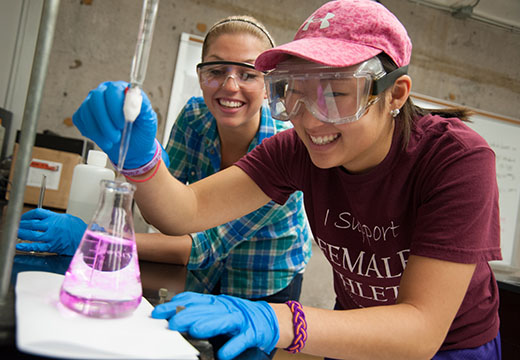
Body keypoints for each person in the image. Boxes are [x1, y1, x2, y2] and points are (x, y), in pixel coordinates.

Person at [70, 0, 502, 359]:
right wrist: (143, 163)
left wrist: (272, 318)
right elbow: (187, 211)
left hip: (452, 346)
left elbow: (421, 330)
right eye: (293, 92)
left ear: (394, 93)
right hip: (357, 323)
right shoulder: (300, 149)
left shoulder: (456, 159)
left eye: (334, 92)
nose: (310, 118)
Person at [16, 15, 310, 326]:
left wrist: (93, 240)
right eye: (216, 70)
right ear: (200, 76)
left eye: (248, 74)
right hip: (202, 273)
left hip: (263, 277)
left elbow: (202, 246)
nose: (230, 86)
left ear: (268, 85)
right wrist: (142, 165)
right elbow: (166, 208)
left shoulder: (283, 149)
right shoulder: (195, 117)